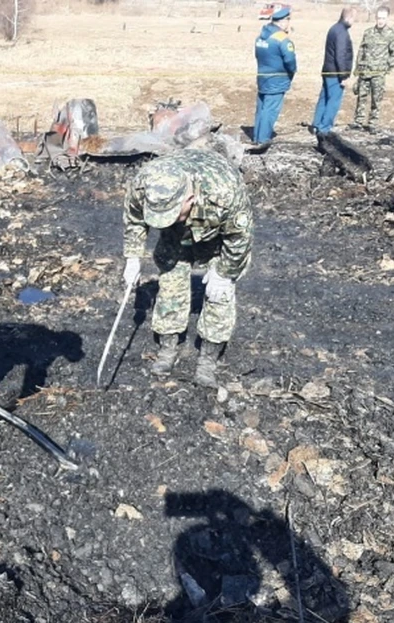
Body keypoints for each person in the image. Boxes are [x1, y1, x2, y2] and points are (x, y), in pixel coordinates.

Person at [122, 149, 253, 390]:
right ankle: (168, 347)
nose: (166, 220)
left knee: (219, 296)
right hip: (175, 238)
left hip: (217, 237)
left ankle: (207, 360)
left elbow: (239, 238)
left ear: (189, 199)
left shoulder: (224, 192)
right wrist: (133, 256)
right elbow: (135, 219)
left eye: (172, 214)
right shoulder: (145, 185)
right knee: (170, 285)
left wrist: (224, 273)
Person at [253, 7, 296, 147]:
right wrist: (292, 72)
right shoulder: (282, 40)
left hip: (262, 76)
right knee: (270, 110)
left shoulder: (260, 36)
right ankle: (263, 140)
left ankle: (256, 136)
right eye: (288, 20)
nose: (288, 23)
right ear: (282, 21)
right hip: (277, 79)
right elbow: (290, 61)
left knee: (262, 108)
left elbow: (257, 55)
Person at [351, 6, 394, 133]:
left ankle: (373, 123)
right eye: (378, 18)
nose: (380, 21)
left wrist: (388, 68)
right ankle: (358, 121)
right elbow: (361, 51)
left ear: (387, 18)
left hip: (378, 73)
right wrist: (357, 68)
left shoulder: (391, 34)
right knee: (361, 97)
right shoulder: (368, 32)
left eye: (383, 18)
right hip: (365, 71)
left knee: (376, 99)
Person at [311, 8, 354, 135]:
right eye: (353, 19)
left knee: (324, 98)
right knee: (333, 101)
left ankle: (316, 124)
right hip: (335, 73)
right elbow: (340, 55)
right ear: (347, 18)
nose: (353, 22)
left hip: (327, 70)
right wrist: (344, 76)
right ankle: (325, 128)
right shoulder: (342, 33)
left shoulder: (334, 28)